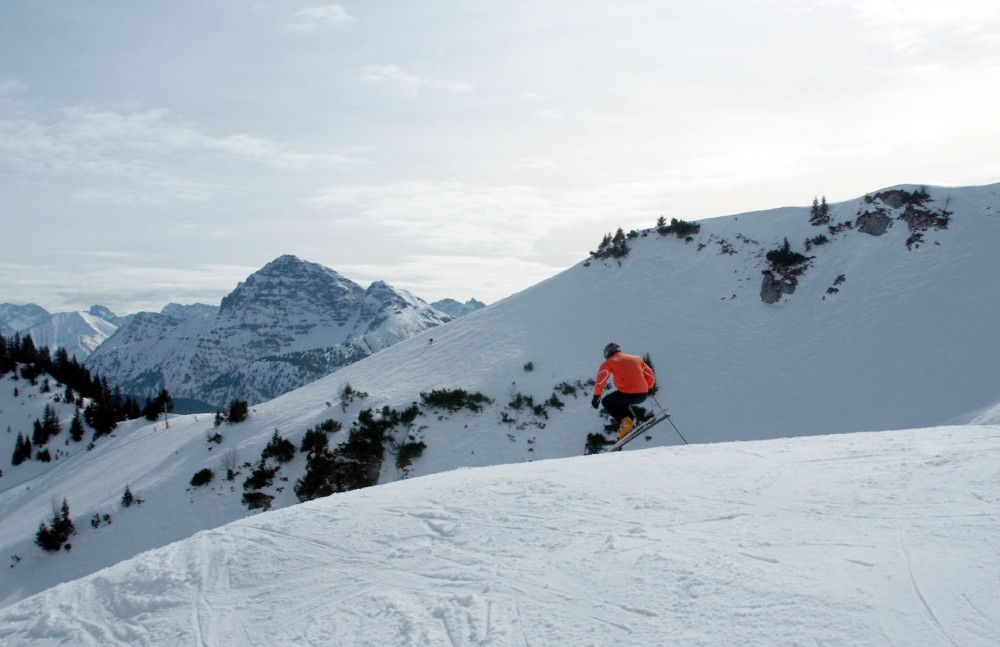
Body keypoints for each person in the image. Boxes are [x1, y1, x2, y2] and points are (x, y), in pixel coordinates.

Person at [591, 342, 656, 439]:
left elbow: (601, 380)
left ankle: (627, 423)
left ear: (608, 353)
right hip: (643, 394)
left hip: (628, 394)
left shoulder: (609, 362)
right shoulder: (636, 358)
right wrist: (649, 388)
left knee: (607, 401)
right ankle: (631, 421)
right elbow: (650, 374)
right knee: (621, 402)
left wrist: (596, 396)